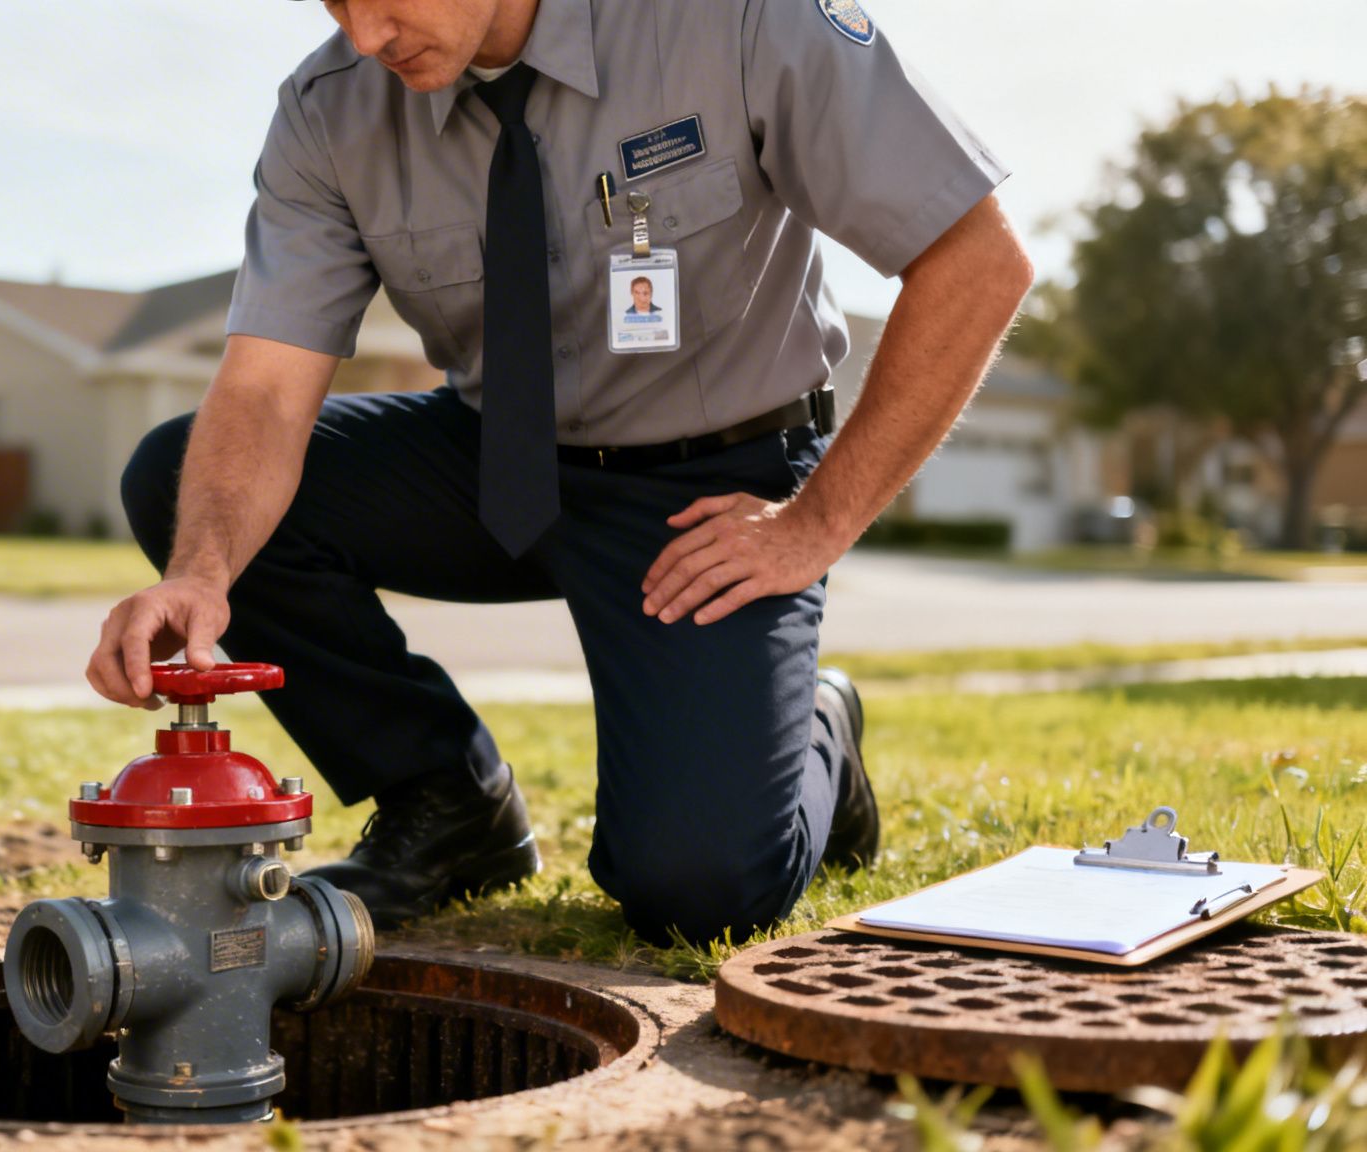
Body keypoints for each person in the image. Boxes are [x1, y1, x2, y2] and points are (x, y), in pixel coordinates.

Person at [86, 0, 1032, 945]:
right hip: (496, 467)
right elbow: (263, 393)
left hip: (706, 492)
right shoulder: (328, 110)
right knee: (177, 475)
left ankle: (819, 726)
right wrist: (202, 572)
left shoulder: (735, 19)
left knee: (695, 892)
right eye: (334, 3)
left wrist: (813, 523)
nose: (365, 35)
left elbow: (977, 260)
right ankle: (451, 805)